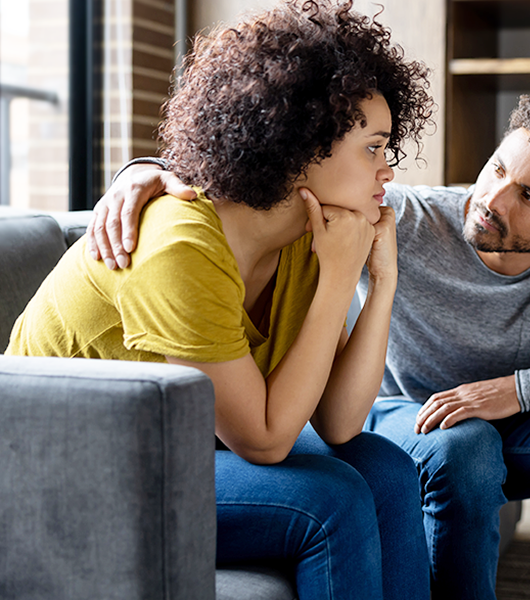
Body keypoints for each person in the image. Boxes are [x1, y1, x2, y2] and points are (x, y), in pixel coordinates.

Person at [88, 90, 530, 599]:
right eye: (498, 170)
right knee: (465, 446)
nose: (492, 199)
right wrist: (142, 171)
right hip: (407, 418)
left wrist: (519, 390)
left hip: (515, 419)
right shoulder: (407, 218)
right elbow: (256, 179)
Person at [5, 1, 434, 599]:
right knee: (327, 501)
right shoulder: (179, 242)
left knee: (387, 470)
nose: (387, 170)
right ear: (300, 145)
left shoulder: (305, 242)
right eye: (373, 147)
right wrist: (337, 279)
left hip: (172, 444)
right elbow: (264, 439)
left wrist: (378, 282)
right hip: (62, 468)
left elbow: (340, 423)